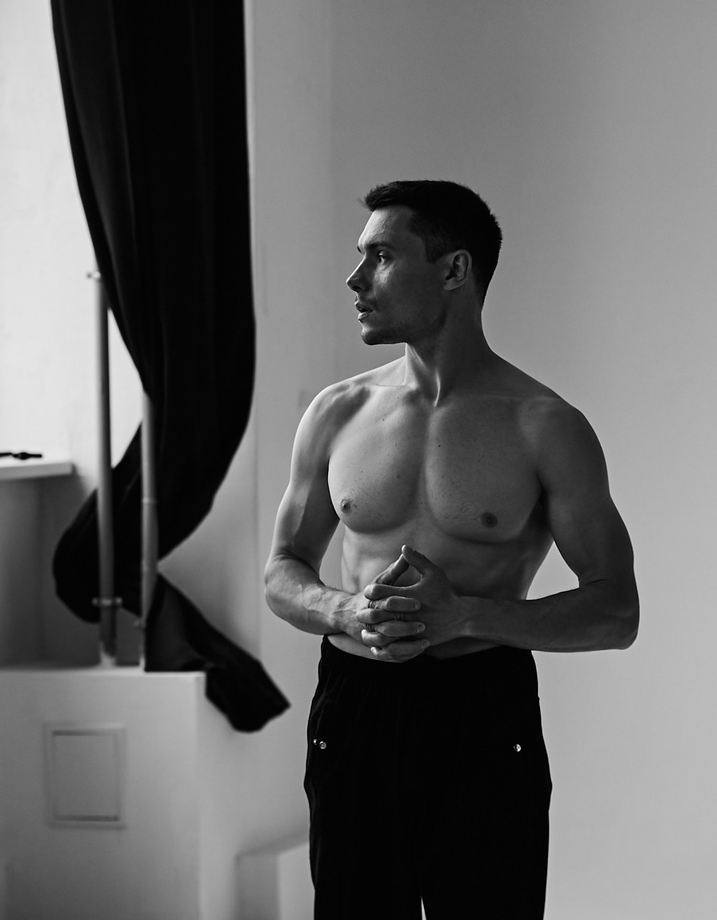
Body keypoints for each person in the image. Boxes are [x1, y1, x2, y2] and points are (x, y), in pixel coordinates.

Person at [263, 179, 639, 919]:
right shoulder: (337, 412)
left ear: (454, 269)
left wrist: (465, 616)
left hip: (481, 709)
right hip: (356, 705)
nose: (355, 279)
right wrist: (345, 609)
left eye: (380, 257)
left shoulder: (544, 426)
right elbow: (282, 571)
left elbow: (615, 611)